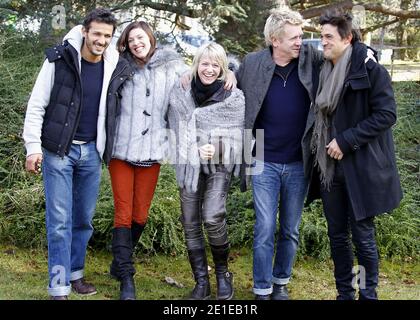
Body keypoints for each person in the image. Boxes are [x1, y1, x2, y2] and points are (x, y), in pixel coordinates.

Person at [23, 8, 119, 300]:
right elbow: (37, 104)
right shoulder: (59, 59)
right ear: (85, 31)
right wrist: (32, 147)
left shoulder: (113, 64)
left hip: (91, 152)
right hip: (58, 152)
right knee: (60, 220)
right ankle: (59, 285)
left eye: (107, 36)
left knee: (83, 220)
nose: (101, 40)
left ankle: (75, 274)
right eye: (97, 34)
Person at [309, 9, 403, 300]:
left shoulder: (370, 69)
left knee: (363, 238)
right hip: (329, 169)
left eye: (328, 37)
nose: (322, 42)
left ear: (347, 38)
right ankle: (344, 294)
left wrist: (347, 141)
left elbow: (386, 115)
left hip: (360, 167)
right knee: (337, 237)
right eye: (321, 36)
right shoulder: (321, 69)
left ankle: (368, 293)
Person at [236, 8, 324, 300]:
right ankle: (262, 288)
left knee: (290, 229)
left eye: (301, 36)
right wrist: (197, 74)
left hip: (299, 162)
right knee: (263, 227)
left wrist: (366, 53)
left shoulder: (312, 61)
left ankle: (281, 281)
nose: (301, 42)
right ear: (275, 40)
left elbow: (344, 53)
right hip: (263, 159)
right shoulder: (252, 64)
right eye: (294, 37)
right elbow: (223, 79)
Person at [103, 21, 188, 300]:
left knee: (140, 214)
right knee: (124, 212)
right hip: (121, 149)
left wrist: (230, 74)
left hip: (153, 150)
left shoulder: (173, 65)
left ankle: (118, 262)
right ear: (125, 45)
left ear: (151, 37)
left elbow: (200, 80)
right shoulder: (118, 65)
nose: (136, 43)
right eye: (130, 40)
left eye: (140, 37)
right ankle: (127, 277)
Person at [167, 42, 245, 300]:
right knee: (190, 223)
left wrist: (219, 146)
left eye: (215, 65)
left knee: (212, 217)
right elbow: (174, 131)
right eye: (205, 63)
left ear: (223, 68)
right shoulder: (181, 91)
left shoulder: (232, 96)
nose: (209, 69)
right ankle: (201, 281)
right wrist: (193, 147)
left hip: (218, 166)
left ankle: (223, 274)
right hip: (188, 166)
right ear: (196, 64)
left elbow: (240, 136)